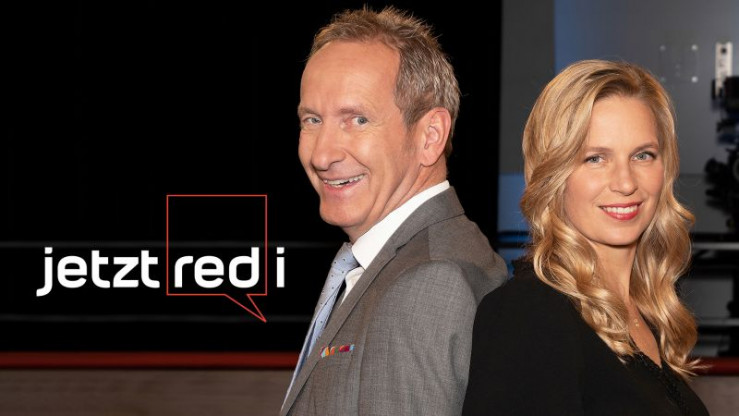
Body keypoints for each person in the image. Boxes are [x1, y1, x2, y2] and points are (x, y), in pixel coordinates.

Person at [281, 6, 508, 416]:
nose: (322, 155)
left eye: (357, 119)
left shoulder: (428, 283)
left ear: (430, 136)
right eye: (312, 120)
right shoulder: (407, 261)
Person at [462, 59, 710, 415]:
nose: (625, 182)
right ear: (554, 174)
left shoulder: (648, 313)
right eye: (595, 158)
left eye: (643, 155)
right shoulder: (529, 314)